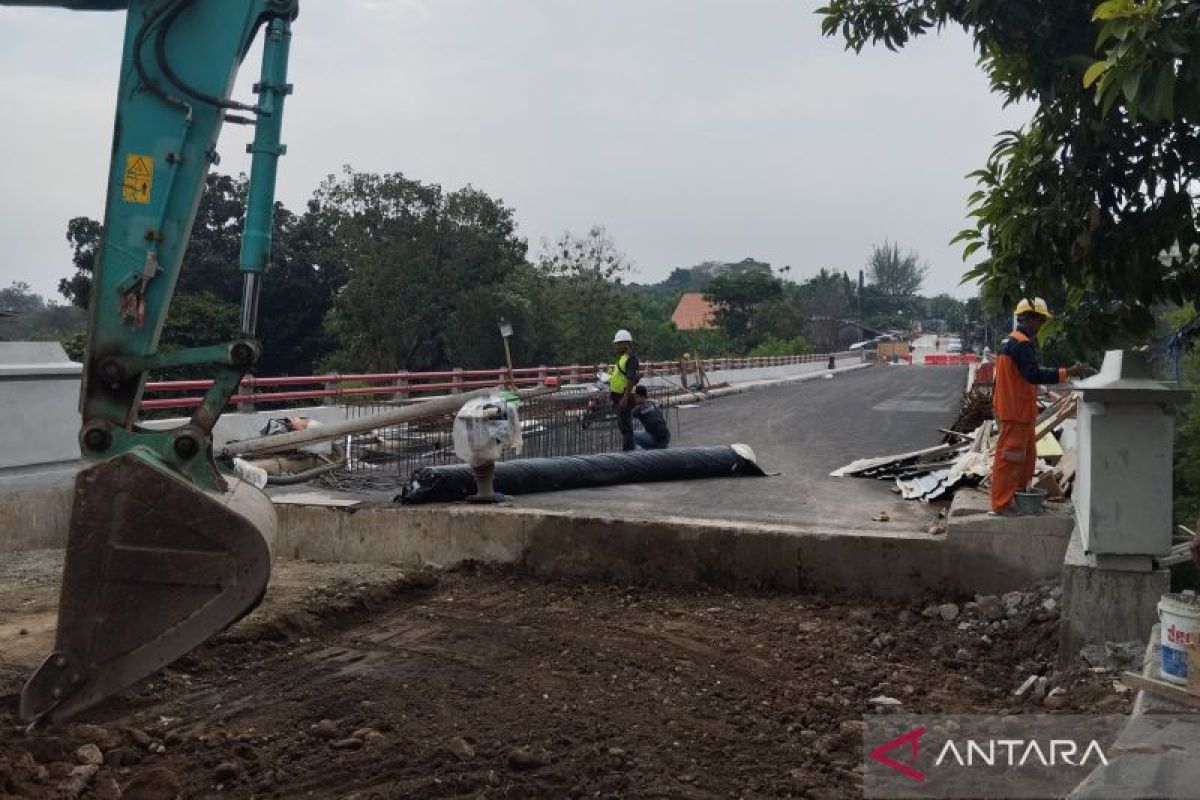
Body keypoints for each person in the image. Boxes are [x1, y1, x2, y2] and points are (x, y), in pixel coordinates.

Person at [989, 298, 1089, 516]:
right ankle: (1001, 504)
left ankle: (1019, 499)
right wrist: (1067, 372)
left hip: (1017, 411)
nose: (1042, 326)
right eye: (1041, 321)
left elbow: (1022, 374)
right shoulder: (1021, 344)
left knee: (1025, 460)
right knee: (1009, 459)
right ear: (1031, 319)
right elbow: (1033, 374)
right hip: (1015, 412)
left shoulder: (1010, 342)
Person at [609, 329, 640, 451]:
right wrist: (613, 398)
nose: (616, 346)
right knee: (623, 426)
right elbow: (619, 378)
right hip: (618, 397)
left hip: (624, 397)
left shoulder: (630, 359)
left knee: (626, 428)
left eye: (618, 344)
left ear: (625, 344)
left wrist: (625, 398)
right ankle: (628, 452)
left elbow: (630, 380)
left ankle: (628, 454)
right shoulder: (622, 358)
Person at [630, 385, 671, 450]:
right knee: (645, 432)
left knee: (630, 434)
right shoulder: (653, 402)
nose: (635, 399)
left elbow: (632, 414)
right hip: (666, 437)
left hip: (658, 439)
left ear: (642, 396)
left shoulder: (639, 408)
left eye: (636, 397)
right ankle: (656, 451)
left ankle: (653, 452)